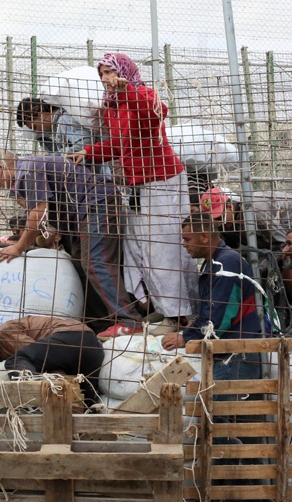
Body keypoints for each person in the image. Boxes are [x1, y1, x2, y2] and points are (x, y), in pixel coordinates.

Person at [68, 53, 198, 331]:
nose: (105, 79)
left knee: (162, 247)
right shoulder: (112, 107)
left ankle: (179, 315)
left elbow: (157, 112)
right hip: (136, 185)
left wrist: (127, 89)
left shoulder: (140, 94)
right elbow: (119, 145)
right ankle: (162, 308)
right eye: (101, 74)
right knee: (138, 247)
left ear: (124, 71)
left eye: (109, 72)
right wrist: (89, 152)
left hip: (160, 180)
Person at [0, 150, 143, 335]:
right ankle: (101, 323)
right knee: (78, 263)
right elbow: (47, 215)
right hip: (85, 211)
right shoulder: (30, 168)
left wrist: (19, 247)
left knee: (95, 262)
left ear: (0, 167)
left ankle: (129, 320)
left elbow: (39, 212)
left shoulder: (27, 171)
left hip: (97, 203)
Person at [161, 213, 264, 380]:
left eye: (187, 239)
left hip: (236, 352)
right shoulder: (215, 262)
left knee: (226, 404)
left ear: (204, 236)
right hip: (229, 348)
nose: (184, 244)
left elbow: (219, 316)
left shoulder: (226, 263)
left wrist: (185, 338)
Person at [200, 187, 292, 254]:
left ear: (230, 207)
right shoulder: (227, 222)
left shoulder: (255, 212)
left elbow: (282, 243)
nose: (218, 224)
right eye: (213, 220)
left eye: (218, 218)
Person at [16, 97, 101, 154]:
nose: (37, 131)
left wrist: (51, 158)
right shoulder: (56, 127)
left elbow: (86, 144)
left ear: (40, 114)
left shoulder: (64, 120)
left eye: (34, 126)